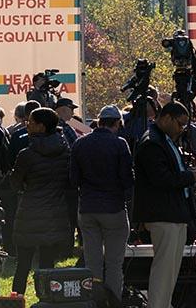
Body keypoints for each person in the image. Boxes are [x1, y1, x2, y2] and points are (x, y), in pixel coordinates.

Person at [133, 102, 196, 308]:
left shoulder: (163, 140)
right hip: (163, 215)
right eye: (180, 124)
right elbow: (161, 179)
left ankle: (162, 304)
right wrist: (190, 177)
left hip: (172, 214)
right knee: (164, 269)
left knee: (169, 270)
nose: (182, 129)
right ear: (167, 118)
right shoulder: (152, 142)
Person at [70, 104, 133, 298]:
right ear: (116, 123)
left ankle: (93, 300)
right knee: (114, 264)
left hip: (88, 208)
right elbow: (127, 179)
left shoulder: (80, 144)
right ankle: (113, 301)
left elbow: (73, 179)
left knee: (92, 262)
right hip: (113, 208)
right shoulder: (120, 144)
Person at [10, 107, 72, 295]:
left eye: (31, 122)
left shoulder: (26, 155)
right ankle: (48, 299)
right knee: (47, 264)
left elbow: (15, 183)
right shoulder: (65, 150)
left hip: (30, 212)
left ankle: (16, 300)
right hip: (55, 212)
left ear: (41, 127)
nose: (27, 124)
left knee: (23, 265)